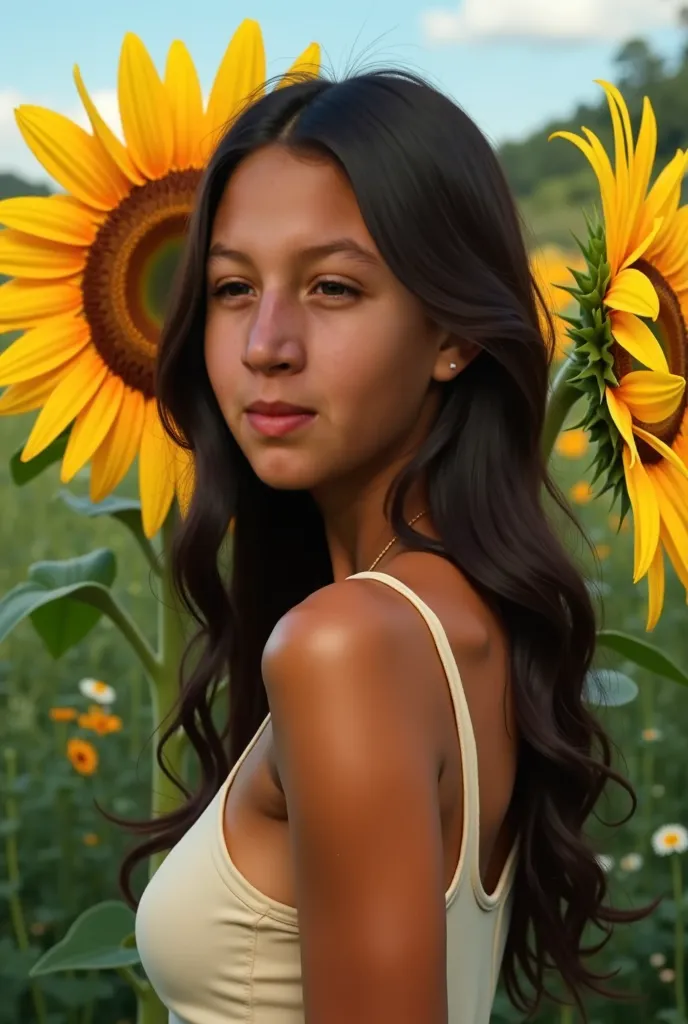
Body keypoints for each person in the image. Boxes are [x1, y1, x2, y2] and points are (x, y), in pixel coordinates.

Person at [126, 68, 644, 1023]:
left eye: (332, 286)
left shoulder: (350, 646)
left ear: (450, 332)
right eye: (233, 288)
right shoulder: (467, 624)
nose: (265, 344)